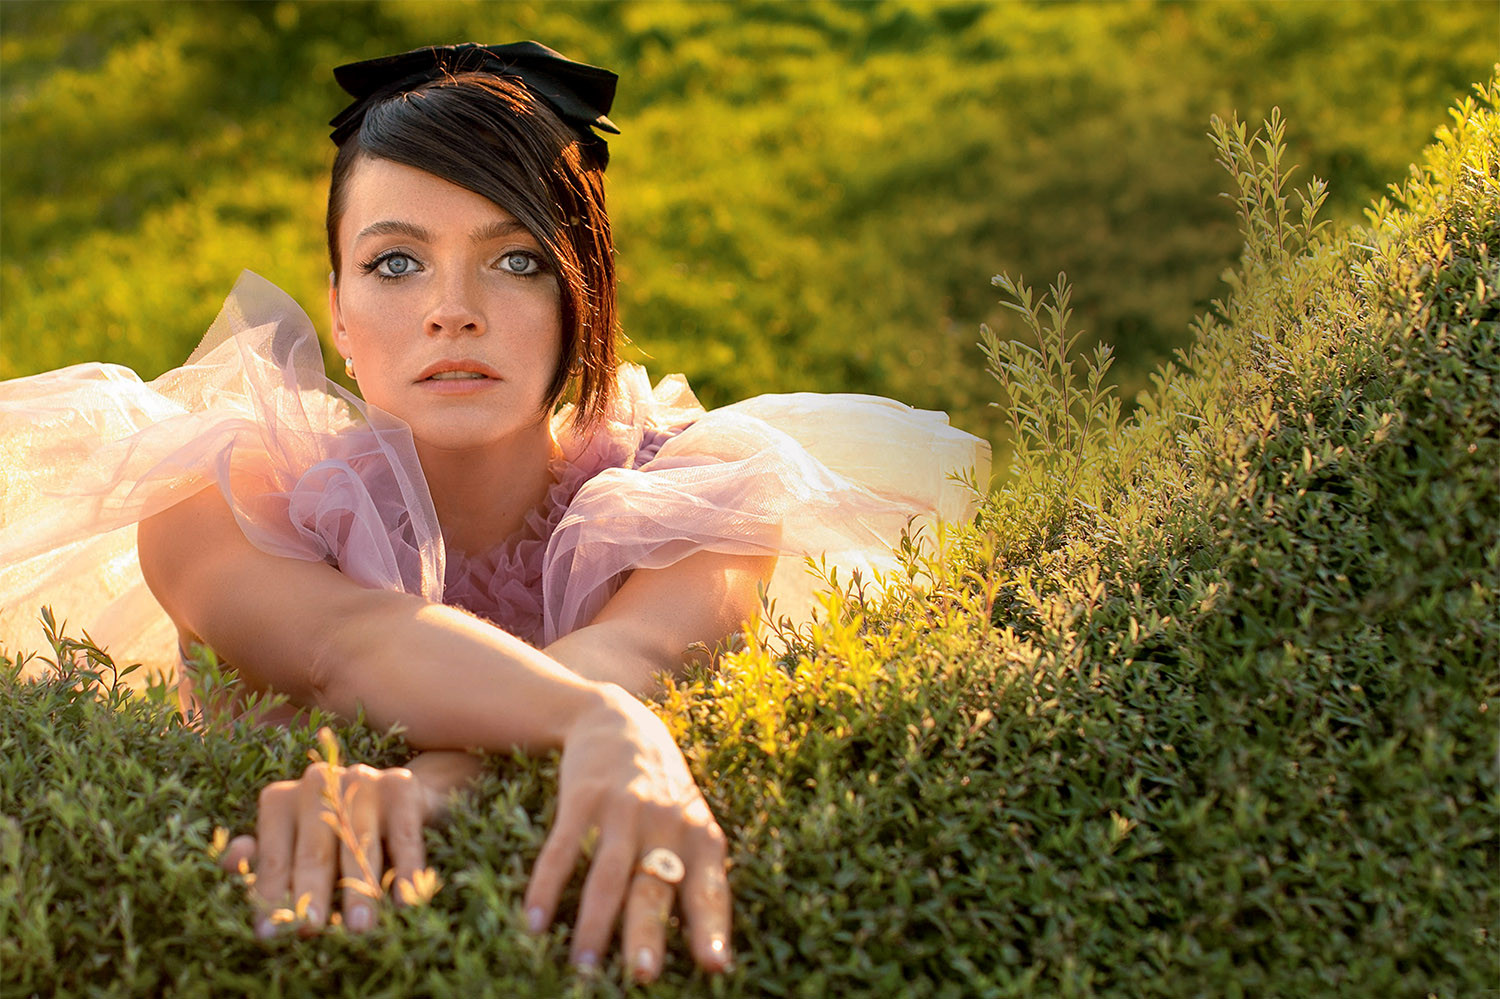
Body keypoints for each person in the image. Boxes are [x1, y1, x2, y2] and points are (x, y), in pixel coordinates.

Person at [0, 41, 988, 981]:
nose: (452, 310)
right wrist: (599, 722)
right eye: (397, 263)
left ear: (581, 295)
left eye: (515, 259)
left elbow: (635, 655)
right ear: (337, 308)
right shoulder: (223, 498)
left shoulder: (698, 489)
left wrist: (440, 780)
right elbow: (350, 645)